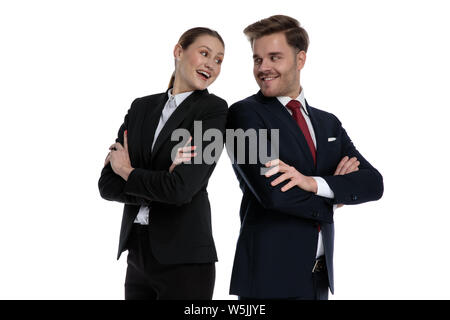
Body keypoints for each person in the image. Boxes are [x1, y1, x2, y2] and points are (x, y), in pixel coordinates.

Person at [226, 15, 384, 300]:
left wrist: (313, 184)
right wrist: (336, 193)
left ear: (300, 60)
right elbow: (272, 194)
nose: (263, 68)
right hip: (268, 279)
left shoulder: (328, 124)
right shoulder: (244, 115)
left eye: (274, 57)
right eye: (257, 59)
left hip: (318, 278)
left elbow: (373, 184)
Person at [98, 27, 228, 300]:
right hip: (137, 253)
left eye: (218, 60)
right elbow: (107, 185)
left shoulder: (213, 110)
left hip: (186, 258)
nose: (211, 64)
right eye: (204, 53)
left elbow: (181, 189)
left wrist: (127, 171)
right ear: (179, 51)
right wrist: (161, 182)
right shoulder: (141, 108)